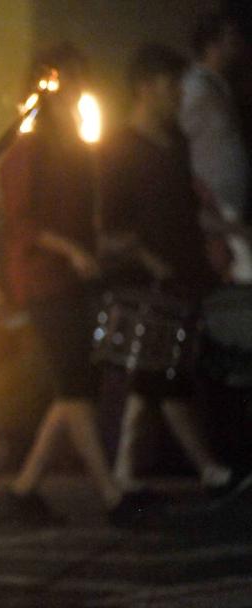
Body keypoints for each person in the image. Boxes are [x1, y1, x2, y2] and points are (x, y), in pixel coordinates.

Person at [0, 43, 144, 526]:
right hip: (42, 278)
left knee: (71, 387)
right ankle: (110, 494)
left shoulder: (69, 145)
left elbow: (84, 212)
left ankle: (23, 490)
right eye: (66, 81)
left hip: (74, 277)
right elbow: (22, 222)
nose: (75, 90)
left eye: (80, 80)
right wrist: (71, 249)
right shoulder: (28, 145)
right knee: (74, 387)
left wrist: (98, 243)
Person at [99, 44, 248, 497]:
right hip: (147, 282)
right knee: (165, 376)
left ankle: (124, 473)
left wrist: (220, 233)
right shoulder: (120, 147)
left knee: (152, 378)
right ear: (146, 88)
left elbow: (186, 206)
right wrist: (150, 260)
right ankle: (209, 469)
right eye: (170, 86)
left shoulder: (176, 143)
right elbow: (110, 227)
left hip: (183, 274)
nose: (178, 97)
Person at [180, 13, 252, 282]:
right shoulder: (195, 89)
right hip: (215, 214)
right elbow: (181, 145)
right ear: (213, 44)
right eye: (230, 39)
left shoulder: (219, 87)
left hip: (230, 211)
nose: (238, 45)